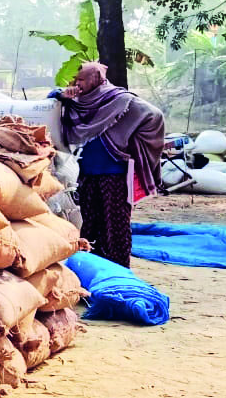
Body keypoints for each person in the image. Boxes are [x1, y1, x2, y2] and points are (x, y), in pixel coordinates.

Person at [49, 61, 165, 267]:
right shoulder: (79, 102)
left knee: (115, 224)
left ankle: (119, 269)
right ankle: (93, 266)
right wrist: (61, 94)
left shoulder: (119, 99)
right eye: (76, 79)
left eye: (82, 79)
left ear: (95, 79)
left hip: (114, 173)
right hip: (87, 172)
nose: (77, 83)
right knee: (89, 222)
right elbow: (50, 101)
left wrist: (128, 141)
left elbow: (154, 115)